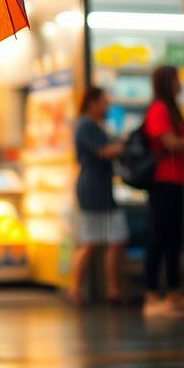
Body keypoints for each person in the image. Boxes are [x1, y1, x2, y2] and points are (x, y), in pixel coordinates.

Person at [142, 65, 184, 319]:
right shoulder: (159, 109)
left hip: (176, 180)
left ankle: (174, 294)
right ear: (167, 82)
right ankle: (151, 295)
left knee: (173, 239)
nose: (180, 84)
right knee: (160, 237)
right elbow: (168, 142)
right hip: (163, 181)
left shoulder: (171, 109)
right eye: (176, 79)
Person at [68, 86, 126, 307]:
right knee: (93, 240)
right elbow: (104, 151)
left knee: (111, 238)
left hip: (98, 187)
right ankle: (77, 288)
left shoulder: (91, 125)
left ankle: (112, 289)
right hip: (94, 188)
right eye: (103, 101)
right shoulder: (85, 125)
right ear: (92, 102)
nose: (107, 106)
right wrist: (122, 146)